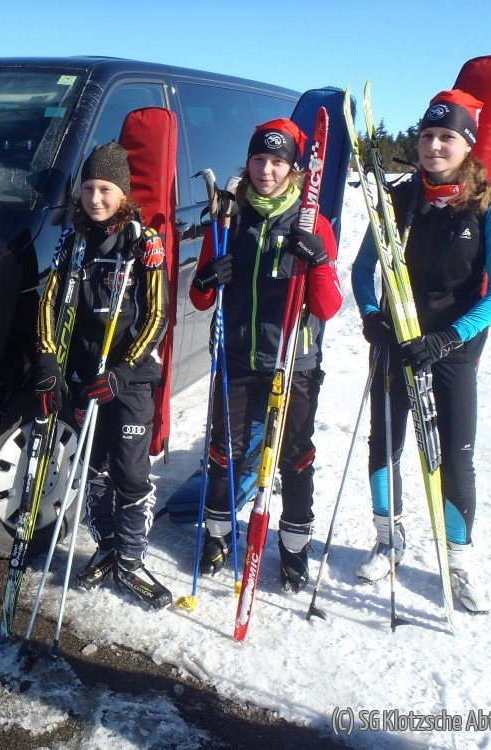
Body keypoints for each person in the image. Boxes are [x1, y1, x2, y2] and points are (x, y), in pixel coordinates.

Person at [351, 90, 491, 614]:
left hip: (452, 351)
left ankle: (458, 559)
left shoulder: (490, 204)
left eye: (447, 137)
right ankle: (388, 539)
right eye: (427, 135)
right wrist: (372, 316)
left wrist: (450, 337)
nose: (434, 146)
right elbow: (362, 270)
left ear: (467, 145)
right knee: (385, 445)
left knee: (455, 456)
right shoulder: (397, 200)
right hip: (396, 344)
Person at [189, 119, 342, 592]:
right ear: (248, 161)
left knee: (294, 456)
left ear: (293, 168)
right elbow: (199, 298)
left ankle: (294, 548)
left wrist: (317, 261)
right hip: (236, 355)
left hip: (293, 360)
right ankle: (217, 535)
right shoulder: (229, 218)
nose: (266, 170)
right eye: (259, 159)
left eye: (277, 162)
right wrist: (209, 276)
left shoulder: (312, 222)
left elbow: (328, 307)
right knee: (224, 451)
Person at [32, 142, 172, 609]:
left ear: (123, 194)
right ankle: (107, 546)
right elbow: (49, 303)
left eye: (106, 189)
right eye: (89, 188)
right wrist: (48, 361)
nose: (95, 198)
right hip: (83, 375)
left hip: (128, 378)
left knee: (129, 473)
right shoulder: (72, 243)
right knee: (93, 468)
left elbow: (157, 315)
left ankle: (130, 560)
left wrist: (124, 370)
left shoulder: (143, 243)